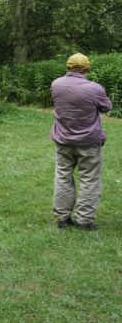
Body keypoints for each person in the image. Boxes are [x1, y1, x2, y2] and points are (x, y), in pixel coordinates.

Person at [51, 53, 113, 230]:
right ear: (86, 69)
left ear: (68, 67)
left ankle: (62, 218)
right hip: (89, 143)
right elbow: (106, 107)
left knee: (62, 177)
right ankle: (84, 221)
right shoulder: (95, 88)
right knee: (89, 179)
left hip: (63, 140)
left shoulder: (56, 84)